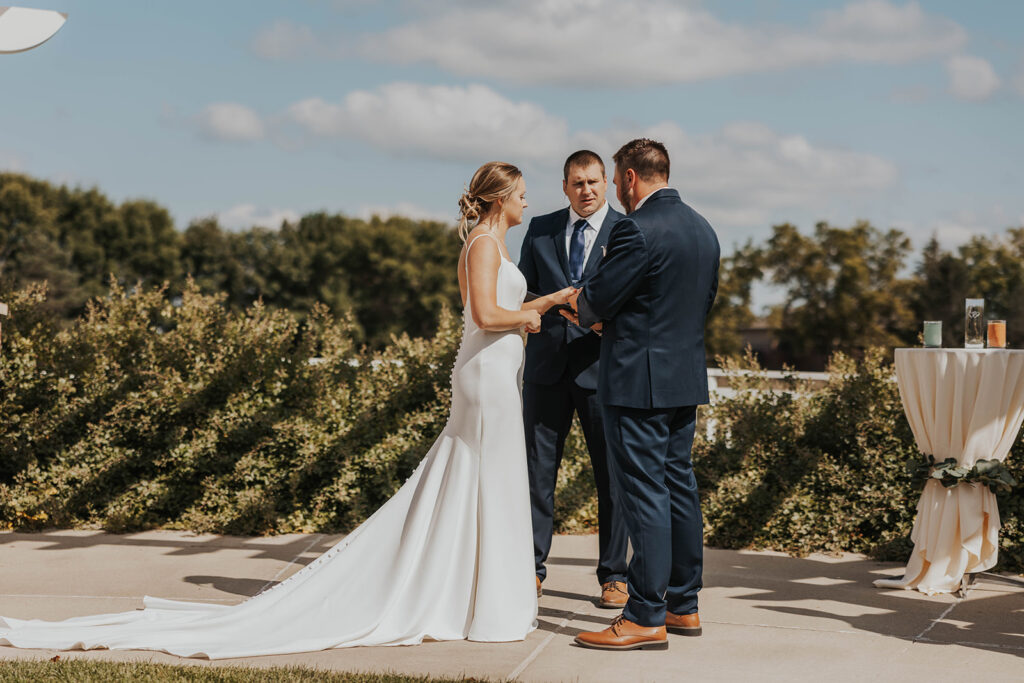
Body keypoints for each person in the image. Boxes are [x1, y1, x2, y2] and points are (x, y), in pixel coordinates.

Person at [0, 161, 577, 659]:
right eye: (522, 191)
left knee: (487, 486)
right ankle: (480, 605)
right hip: (485, 378)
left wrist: (534, 309)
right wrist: (538, 309)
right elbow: (482, 316)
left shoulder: (492, 243)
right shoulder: (482, 243)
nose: (529, 200)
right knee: (488, 482)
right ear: (500, 197)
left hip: (498, 374)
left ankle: (475, 601)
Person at [566, 139, 720, 651]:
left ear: (630, 178)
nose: (613, 189)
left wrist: (586, 307)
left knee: (643, 493)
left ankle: (644, 615)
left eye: (613, 180)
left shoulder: (635, 228)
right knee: (679, 487)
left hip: (636, 382)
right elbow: (699, 304)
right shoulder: (704, 229)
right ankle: (683, 605)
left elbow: (598, 298)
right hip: (683, 379)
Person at [517, 150, 629, 606]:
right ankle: (530, 568)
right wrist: (559, 305)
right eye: (577, 183)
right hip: (546, 370)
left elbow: (631, 296)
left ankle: (614, 575)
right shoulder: (540, 228)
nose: (586, 190)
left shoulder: (626, 230)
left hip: (603, 373)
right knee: (537, 474)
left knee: (613, 478)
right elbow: (521, 289)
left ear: (607, 184)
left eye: (594, 182)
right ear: (565, 186)